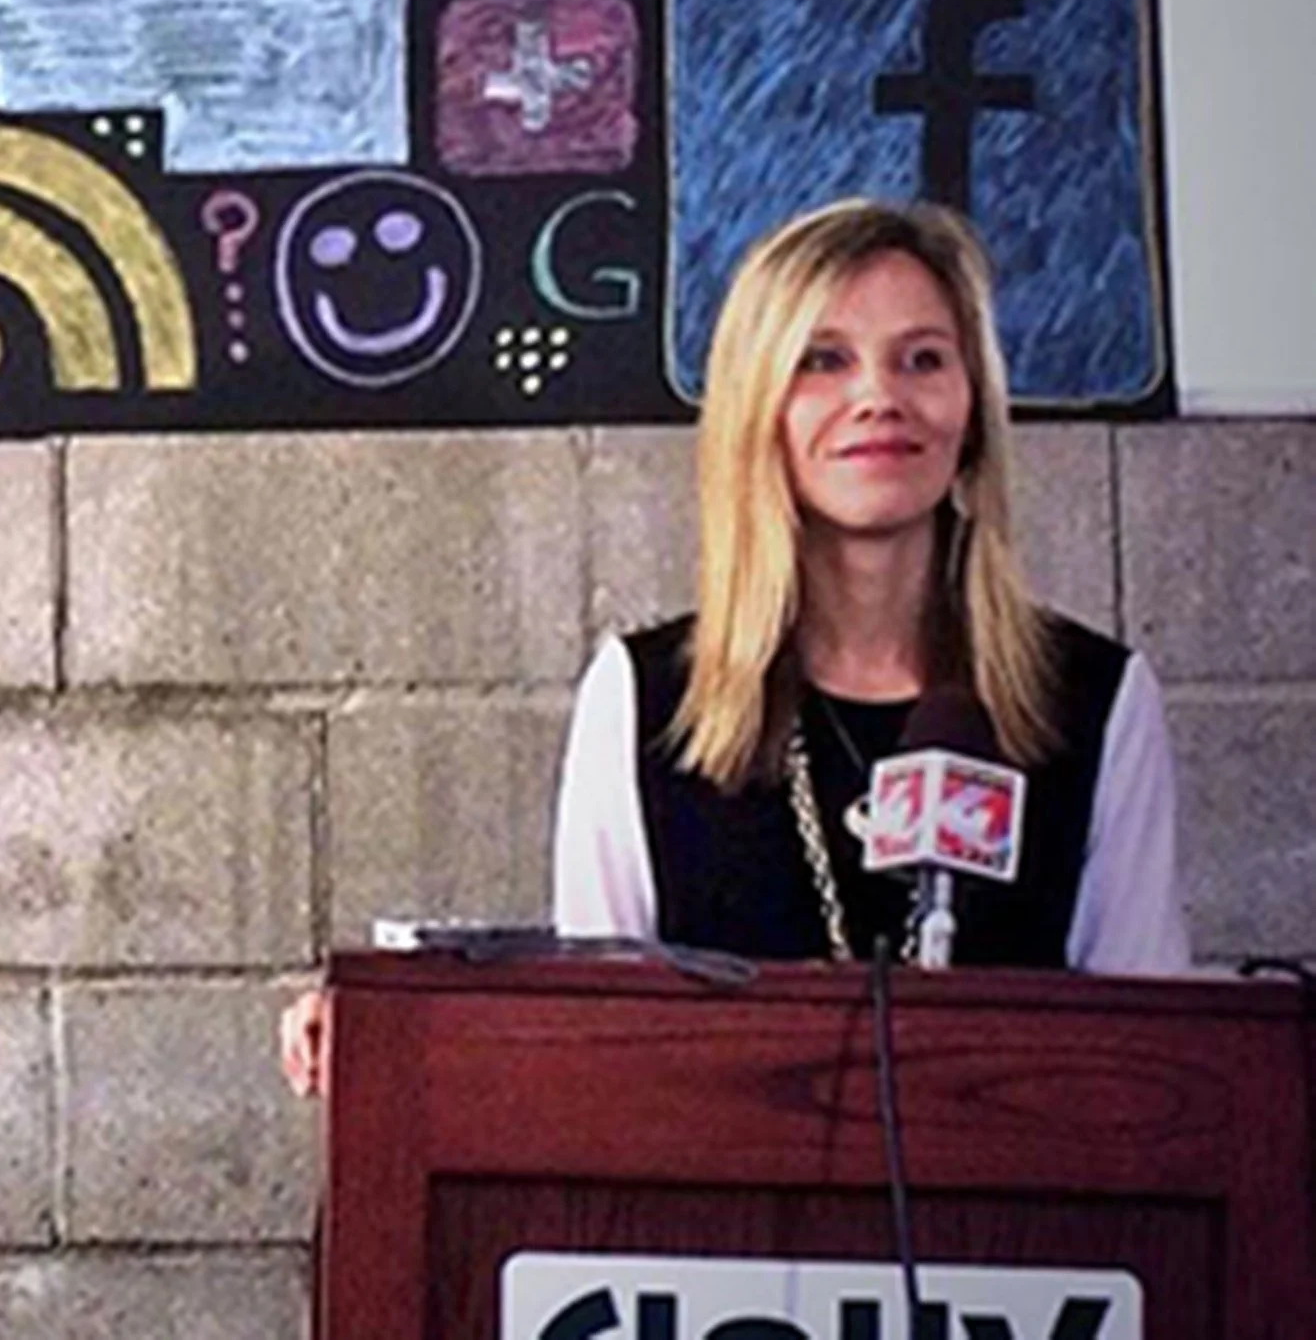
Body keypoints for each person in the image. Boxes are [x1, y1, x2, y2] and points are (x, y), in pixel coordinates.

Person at [280, 199, 1189, 1096]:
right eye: (822, 361)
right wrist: (389, 1029)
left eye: (923, 359)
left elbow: (1159, 1065)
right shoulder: (642, 700)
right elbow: (591, 1053)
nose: (879, 396)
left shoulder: (1100, 701)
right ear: (758, 408)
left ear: (974, 411)